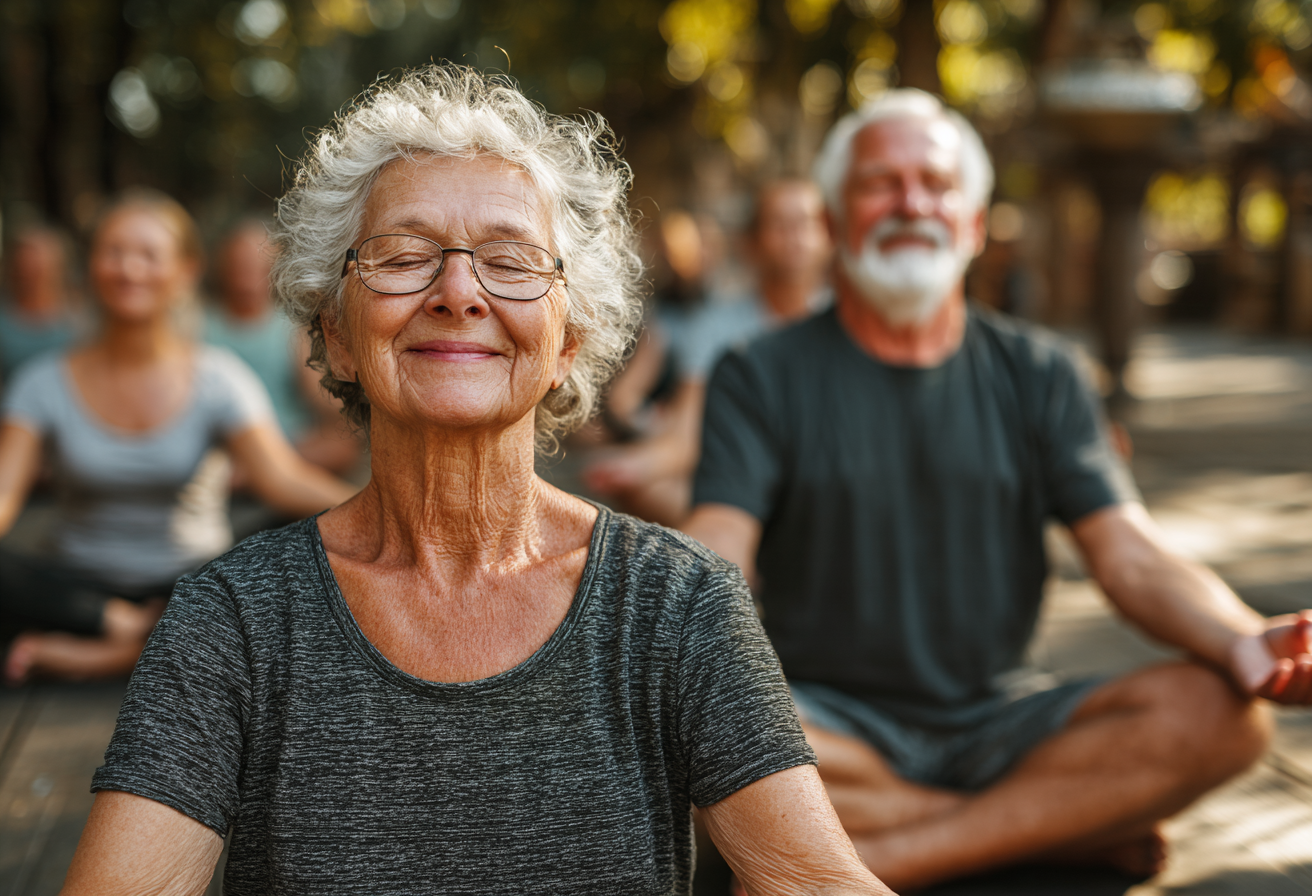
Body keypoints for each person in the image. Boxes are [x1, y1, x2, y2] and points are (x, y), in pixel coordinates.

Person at [62, 66, 892, 896]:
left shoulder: (677, 601)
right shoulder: (233, 620)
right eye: (403, 255)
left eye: (511, 259)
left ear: (567, 341)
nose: (458, 292)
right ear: (338, 335)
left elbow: (817, 882)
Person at [683, 88, 1312, 891]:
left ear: (974, 225)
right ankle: (1052, 827)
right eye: (881, 183)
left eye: (937, 185)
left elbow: (1131, 557)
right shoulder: (759, 372)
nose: (912, 203)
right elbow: (716, 550)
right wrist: (657, 651)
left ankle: (882, 858)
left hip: (1006, 724)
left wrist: (1242, 641)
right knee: (682, 732)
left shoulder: (1043, 373)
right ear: (835, 223)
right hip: (823, 723)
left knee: (1228, 718)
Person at [0, 190, 355, 684]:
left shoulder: (218, 378)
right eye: (113, 252)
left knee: (294, 540)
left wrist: (381, 511)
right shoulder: (41, 383)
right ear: (91, 267)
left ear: (185, 269)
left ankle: (111, 652)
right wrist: (102, 610)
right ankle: (132, 630)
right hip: (74, 587)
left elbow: (284, 481)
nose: (129, 269)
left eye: (147, 254)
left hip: (193, 578)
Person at [584, 181, 832, 525]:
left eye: (806, 223)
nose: (794, 236)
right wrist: (640, 464)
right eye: (779, 224)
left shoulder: (856, 322)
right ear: (751, 243)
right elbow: (687, 428)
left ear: (831, 236)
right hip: (743, 488)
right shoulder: (713, 325)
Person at [206, 220, 363, 475]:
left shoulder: (291, 328)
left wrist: (353, 396)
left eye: (255, 265)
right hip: (224, 443)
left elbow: (320, 394)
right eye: (240, 264)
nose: (247, 274)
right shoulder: (202, 326)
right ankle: (261, 473)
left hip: (287, 442)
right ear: (225, 266)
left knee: (342, 446)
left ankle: (254, 473)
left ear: (272, 269)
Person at [0, 225, 81, 382]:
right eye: (24, 262)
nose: (29, 269)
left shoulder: (79, 318)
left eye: (38, 264)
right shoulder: (4, 319)